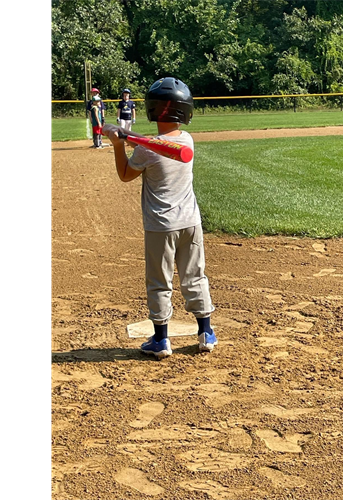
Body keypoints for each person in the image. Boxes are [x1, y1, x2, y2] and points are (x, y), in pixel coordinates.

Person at [105, 77, 217, 360]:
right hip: (191, 222)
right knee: (194, 276)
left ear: (153, 109)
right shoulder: (186, 140)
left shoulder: (145, 150)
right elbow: (159, 144)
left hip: (160, 226)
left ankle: (161, 339)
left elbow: (126, 174)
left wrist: (118, 145)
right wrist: (126, 136)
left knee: (159, 281)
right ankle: (206, 332)